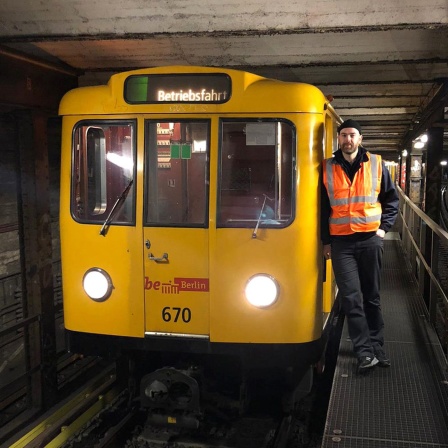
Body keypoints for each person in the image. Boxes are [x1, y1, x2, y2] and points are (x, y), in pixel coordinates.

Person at [321, 119, 399, 373]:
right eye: (343, 135)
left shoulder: (376, 164)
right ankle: (364, 352)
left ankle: (377, 347)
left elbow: (391, 199)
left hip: (369, 240)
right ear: (339, 139)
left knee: (372, 297)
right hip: (342, 243)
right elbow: (322, 209)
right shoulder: (327, 167)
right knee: (351, 299)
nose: (348, 140)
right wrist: (326, 241)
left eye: (352, 135)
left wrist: (382, 230)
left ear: (360, 139)